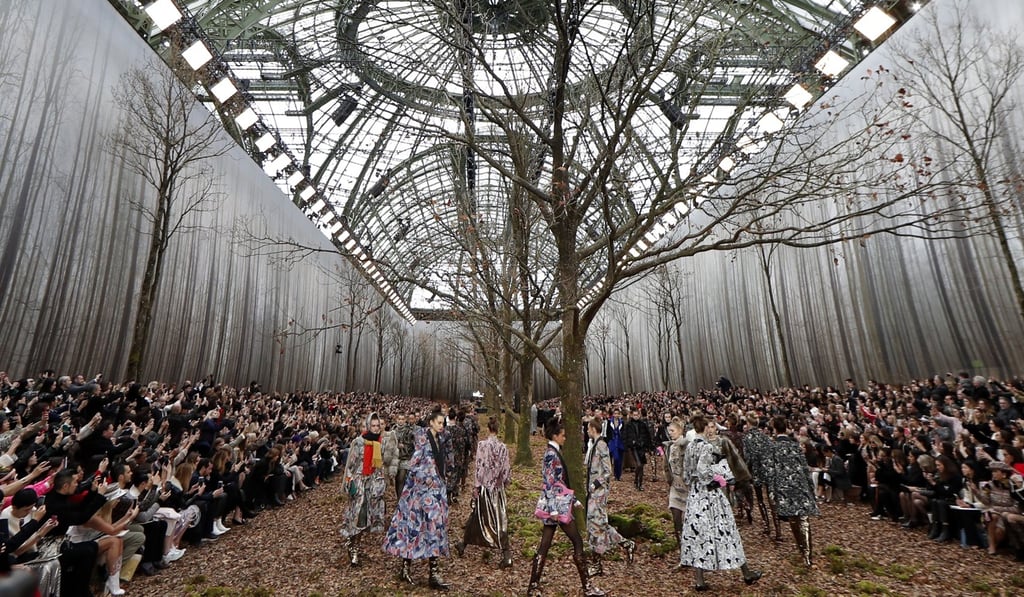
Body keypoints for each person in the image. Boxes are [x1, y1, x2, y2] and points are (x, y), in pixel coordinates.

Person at [678, 415, 761, 591]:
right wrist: (718, 480)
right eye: (709, 427)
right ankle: (746, 573)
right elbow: (703, 472)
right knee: (727, 529)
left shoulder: (690, 447)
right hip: (710, 496)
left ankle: (700, 580)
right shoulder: (706, 447)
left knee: (699, 533)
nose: (711, 430)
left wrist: (697, 481)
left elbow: (685, 474)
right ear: (704, 429)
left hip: (695, 496)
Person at [527, 417, 604, 597]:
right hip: (557, 508)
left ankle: (533, 587)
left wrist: (573, 499)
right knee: (577, 541)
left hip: (558, 505)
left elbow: (560, 482)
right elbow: (549, 482)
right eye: (562, 435)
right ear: (555, 435)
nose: (565, 438)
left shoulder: (554, 452)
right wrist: (554, 509)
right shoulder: (551, 454)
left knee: (544, 545)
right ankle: (587, 587)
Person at [383, 408, 451, 590]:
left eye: (443, 423)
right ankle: (405, 568)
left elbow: (441, 463)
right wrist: (426, 478)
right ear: (430, 423)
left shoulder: (440, 439)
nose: (441, 426)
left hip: (435, 493)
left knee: (434, 529)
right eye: (438, 423)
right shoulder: (422, 439)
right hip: (419, 494)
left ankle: (433, 573)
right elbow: (415, 463)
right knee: (413, 529)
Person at [455, 416, 512, 568]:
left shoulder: (482, 446)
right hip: (497, 489)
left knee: (482, 517)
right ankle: (464, 544)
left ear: (488, 429)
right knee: (488, 518)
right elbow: (506, 469)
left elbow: (479, 468)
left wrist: (476, 486)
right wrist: (504, 483)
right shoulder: (503, 448)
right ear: (498, 430)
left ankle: (507, 553)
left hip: (485, 488)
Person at [765, 416, 819, 567]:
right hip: (799, 484)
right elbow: (804, 467)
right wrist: (811, 489)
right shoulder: (796, 446)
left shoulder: (773, 447)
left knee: (794, 520)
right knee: (803, 519)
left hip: (784, 487)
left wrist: (772, 491)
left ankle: (803, 552)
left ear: (775, 429)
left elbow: (771, 471)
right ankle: (807, 556)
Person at [585, 417, 635, 577]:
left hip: (599, 493)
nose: (586, 430)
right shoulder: (594, 444)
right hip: (593, 493)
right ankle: (627, 544)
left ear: (593, 428)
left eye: (588, 427)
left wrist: (595, 485)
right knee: (601, 525)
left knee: (595, 527)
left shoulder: (602, 445)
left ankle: (597, 564)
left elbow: (607, 471)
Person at [341, 413, 390, 567]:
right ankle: (354, 547)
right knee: (358, 515)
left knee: (367, 518)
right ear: (368, 426)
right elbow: (351, 464)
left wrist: (381, 483)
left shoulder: (379, 443)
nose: (376, 429)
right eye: (373, 426)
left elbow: (380, 466)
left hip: (373, 484)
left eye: (378, 426)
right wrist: (350, 483)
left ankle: (355, 543)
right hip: (359, 482)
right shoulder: (359, 442)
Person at [623, 408, 651, 491]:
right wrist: (628, 444)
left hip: (642, 447)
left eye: (637, 415)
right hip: (634, 447)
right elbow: (625, 436)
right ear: (632, 415)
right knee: (638, 464)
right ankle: (636, 481)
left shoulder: (643, 424)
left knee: (641, 465)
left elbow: (647, 435)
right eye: (634, 415)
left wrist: (649, 446)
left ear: (639, 415)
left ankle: (639, 483)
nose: (636, 416)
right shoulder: (628, 424)